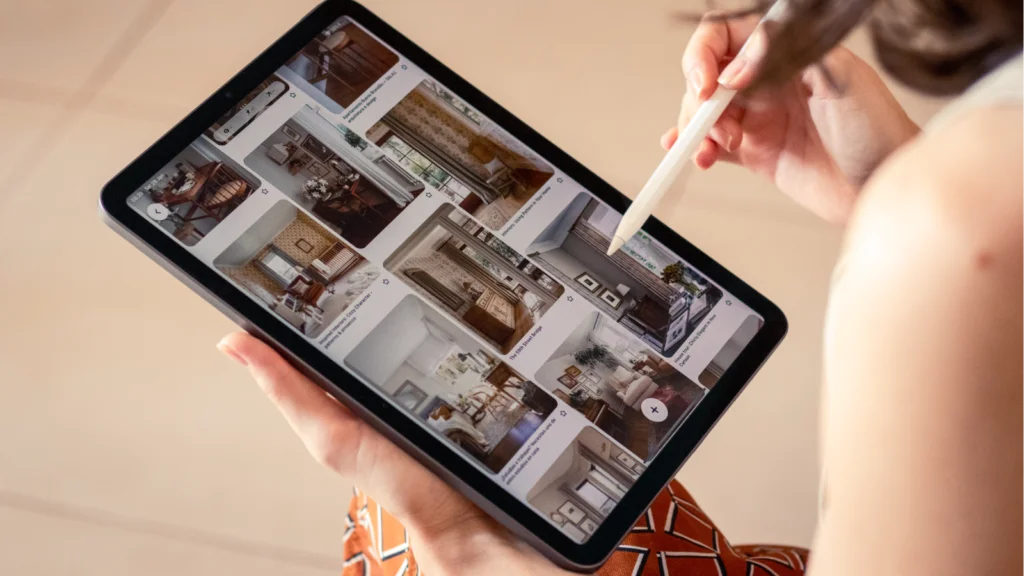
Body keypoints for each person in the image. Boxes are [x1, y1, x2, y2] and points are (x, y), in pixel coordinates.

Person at [216, 1, 1024, 573]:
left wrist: (468, 555)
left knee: (401, 522)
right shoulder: (971, 196)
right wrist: (890, 184)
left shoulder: (966, 215)